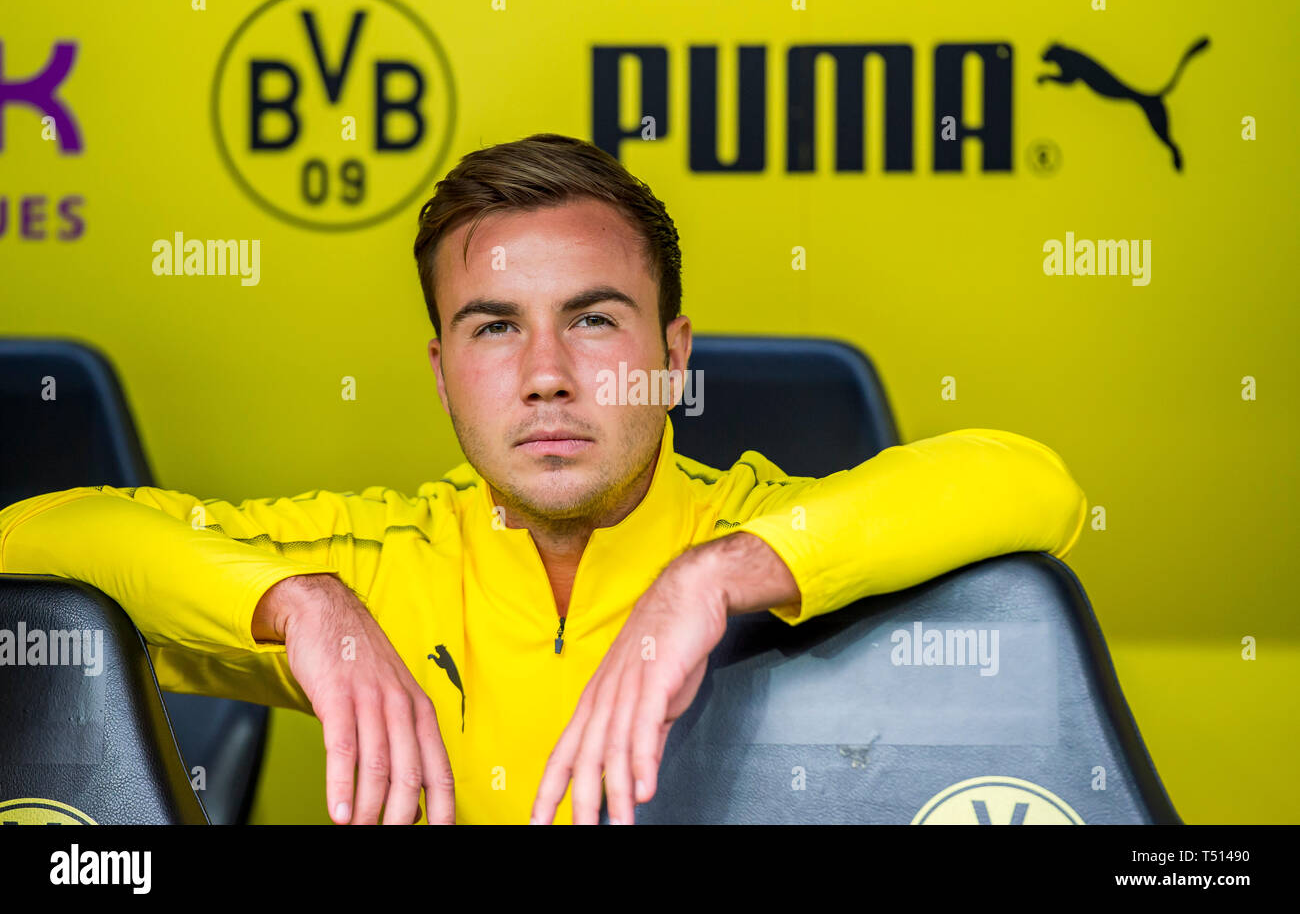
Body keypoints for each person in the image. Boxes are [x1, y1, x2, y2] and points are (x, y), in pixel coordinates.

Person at [0, 133, 1087, 825]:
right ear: (442, 373)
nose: (547, 377)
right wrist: (299, 605)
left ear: (673, 352)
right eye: (493, 327)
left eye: (594, 319)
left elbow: (1034, 482)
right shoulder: (378, 568)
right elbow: (37, 532)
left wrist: (712, 580)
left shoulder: (758, 529)